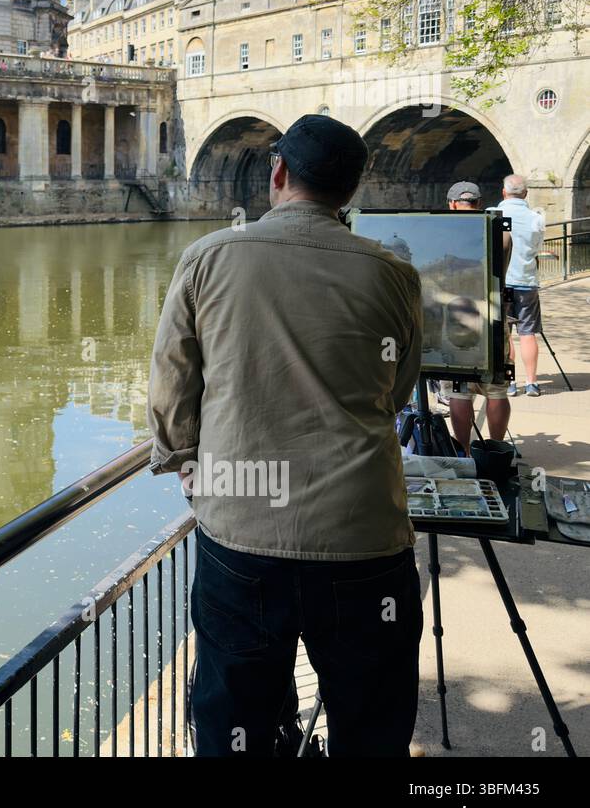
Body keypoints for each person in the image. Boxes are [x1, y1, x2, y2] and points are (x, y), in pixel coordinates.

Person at [148, 114, 424, 757]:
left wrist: (187, 465)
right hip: (362, 532)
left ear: (277, 174)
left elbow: (170, 384)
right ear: (350, 192)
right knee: (373, 724)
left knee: (233, 721)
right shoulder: (393, 274)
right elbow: (397, 391)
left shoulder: (209, 257)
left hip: (243, 532)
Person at [445, 181, 512, 447]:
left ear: (451, 204)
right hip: (492, 313)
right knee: (496, 388)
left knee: (459, 389)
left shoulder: (444, 233)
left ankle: (463, 451)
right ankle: (495, 447)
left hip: (458, 315)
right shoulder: (501, 232)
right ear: (479, 203)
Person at [496, 174, 546, 397]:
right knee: (528, 333)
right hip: (526, 282)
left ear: (504, 192)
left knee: (505, 334)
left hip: (501, 282)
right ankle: (532, 383)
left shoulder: (492, 214)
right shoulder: (536, 218)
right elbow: (536, 250)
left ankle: (511, 382)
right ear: (525, 193)